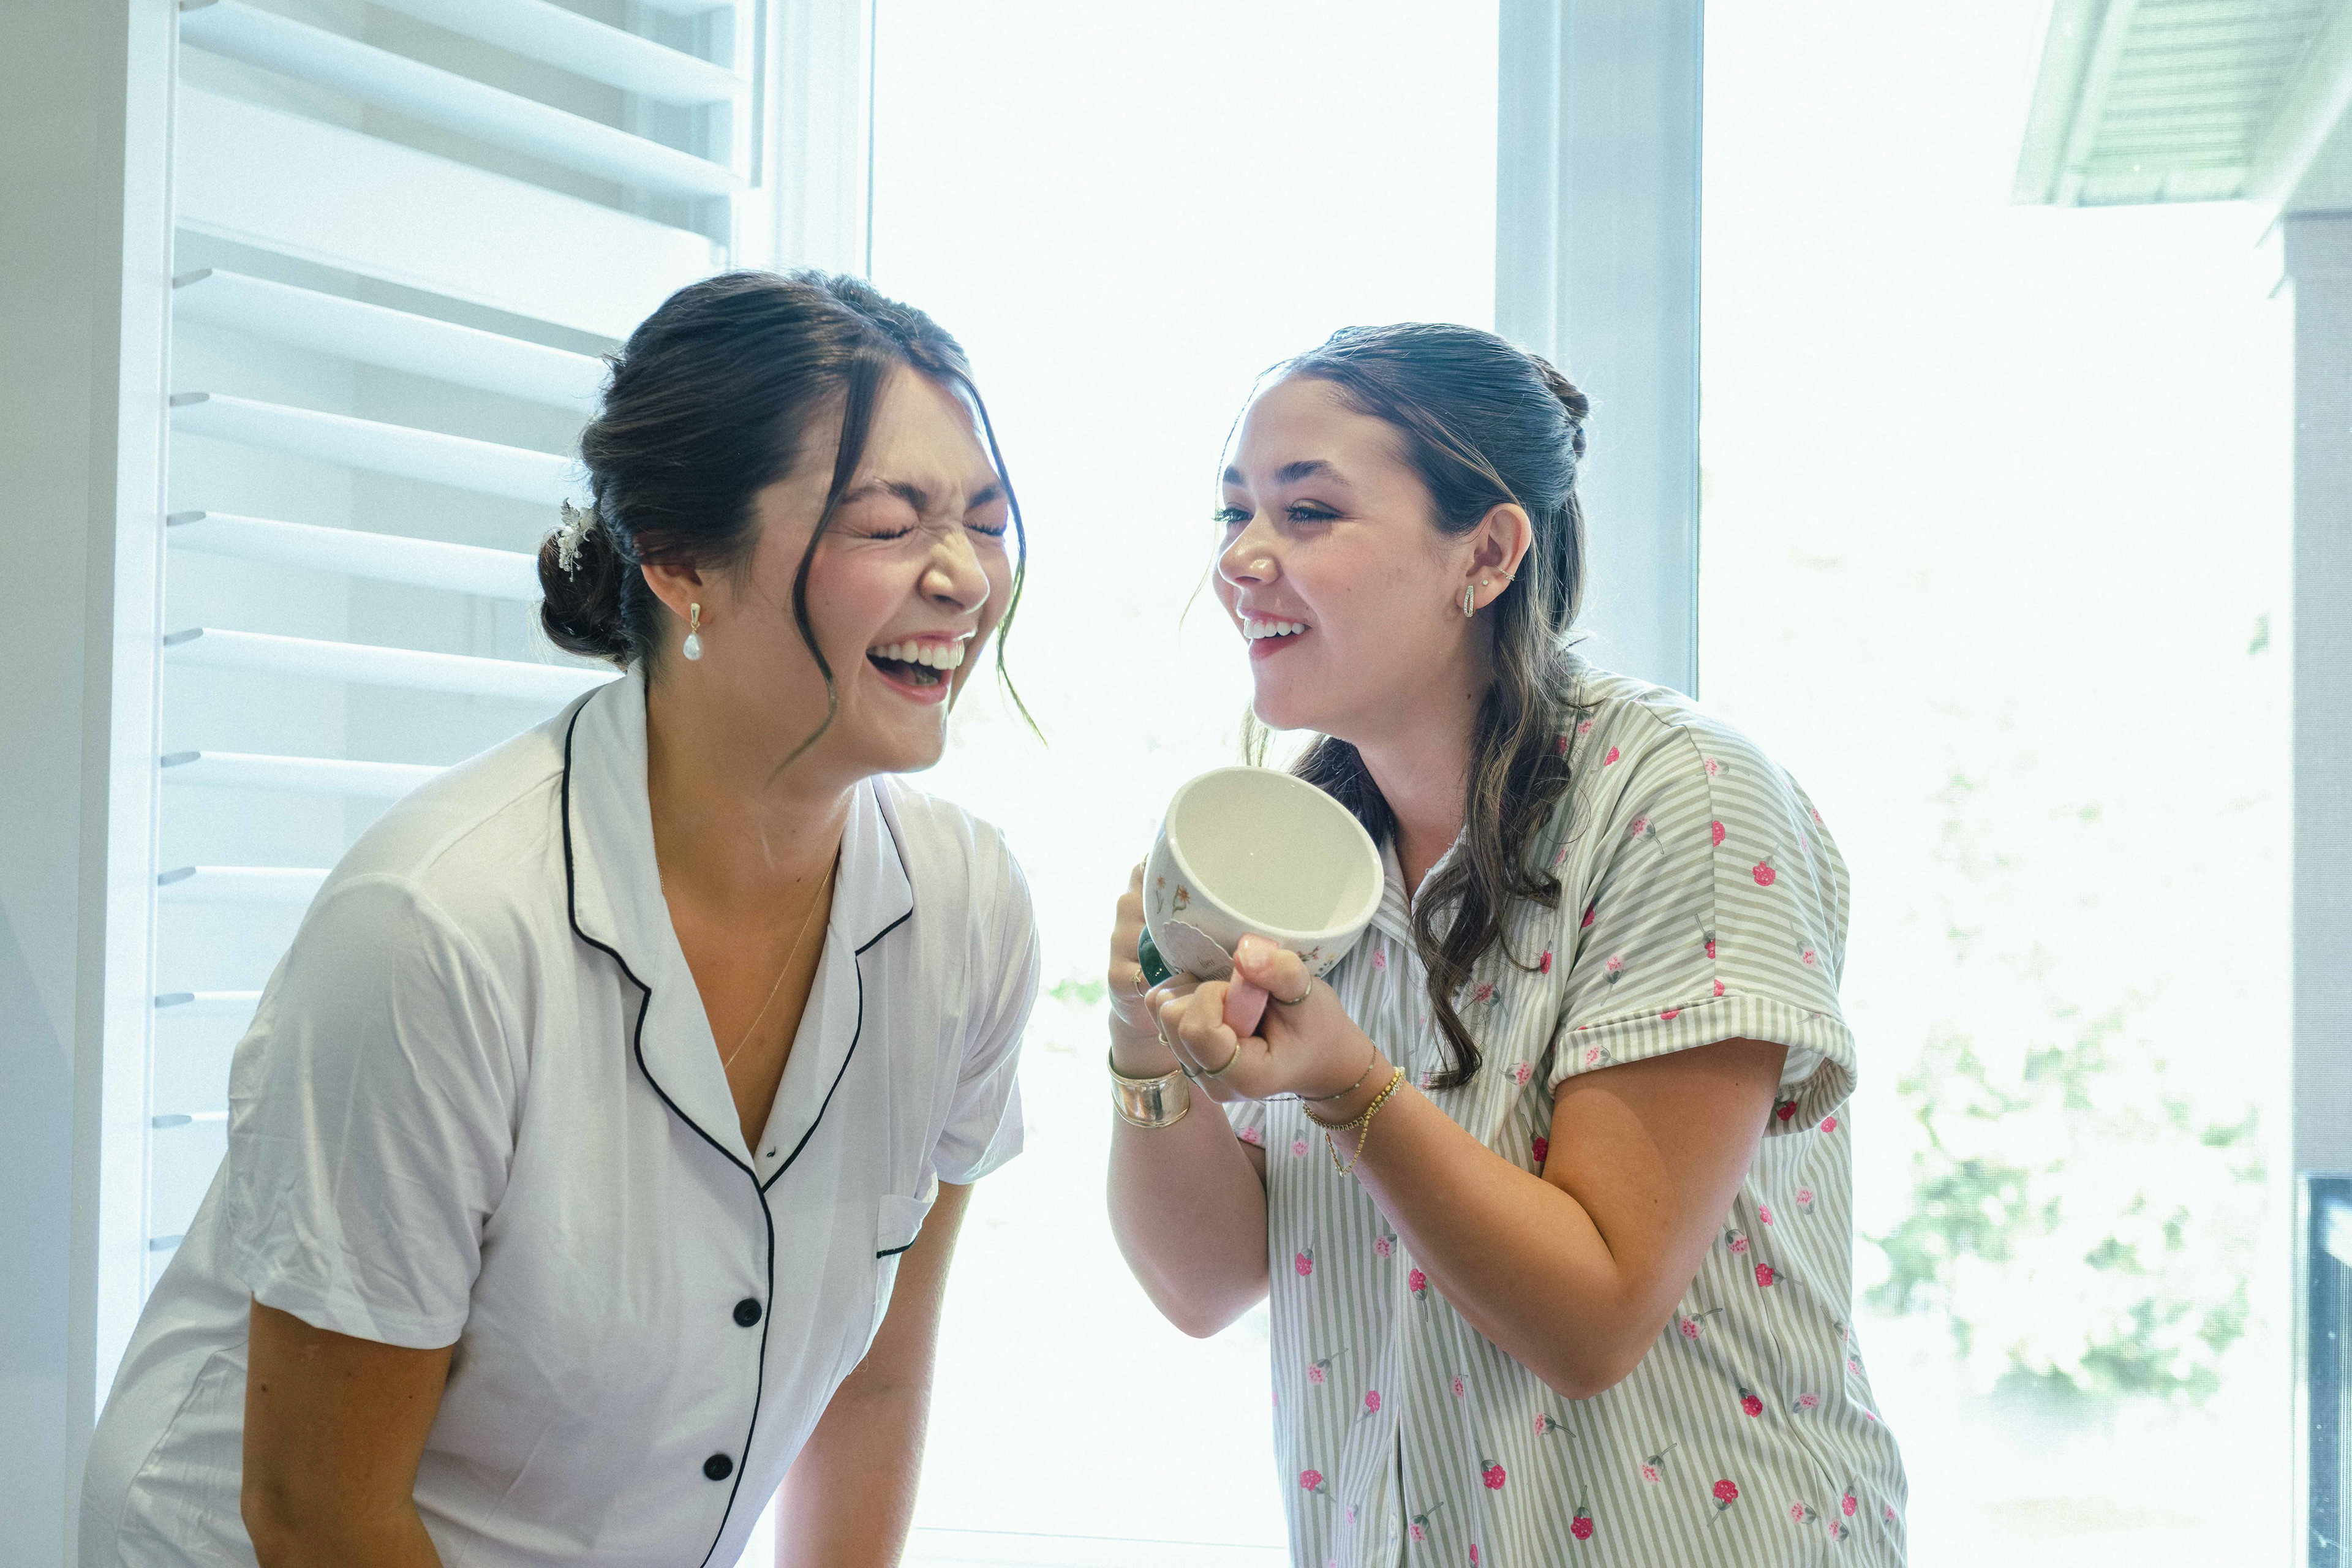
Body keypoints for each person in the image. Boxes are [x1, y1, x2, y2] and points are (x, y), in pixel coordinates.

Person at [81, 271, 1041, 1568]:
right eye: (890, 523)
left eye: (984, 521)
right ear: (681, 561)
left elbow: (870, 1384)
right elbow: (319, 1514)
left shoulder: (970, 916)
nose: (965, 577)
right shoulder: (441, 928)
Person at [1104, 323, 1907, 1566]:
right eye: (1235, 512)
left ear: (1485, 553)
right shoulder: (1306, 858)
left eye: (1308, 512)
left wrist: (1347, 1081)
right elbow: (1205, 1285)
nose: (1242, 559)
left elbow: (1594, 1316)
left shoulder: (1683, 798)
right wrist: (1143, 1043)